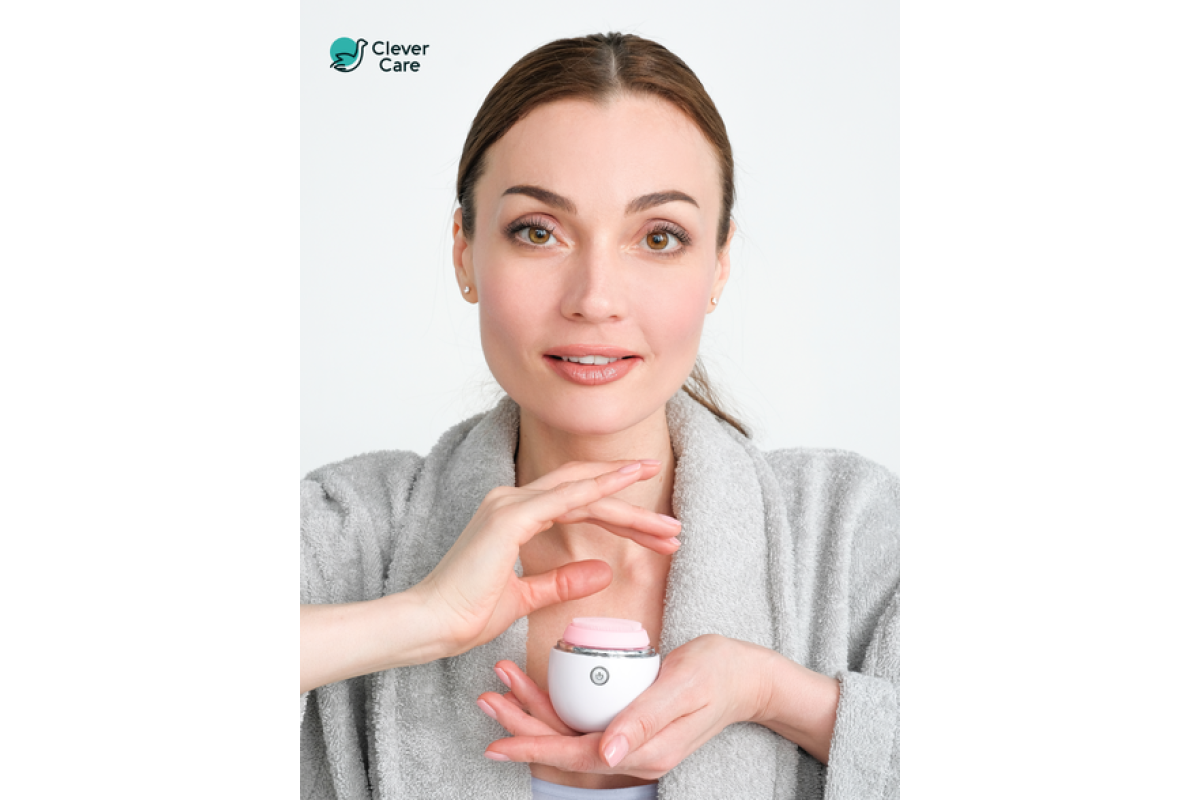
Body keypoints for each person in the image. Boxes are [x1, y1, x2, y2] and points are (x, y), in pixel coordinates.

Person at [300, 32, 899, 800]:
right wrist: (421, 617)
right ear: (464, 252)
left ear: (719, 266)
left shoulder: (851, 532)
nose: (595, 297)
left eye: (659, 238)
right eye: (538, 231)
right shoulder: (351, 533)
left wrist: (776, 694)